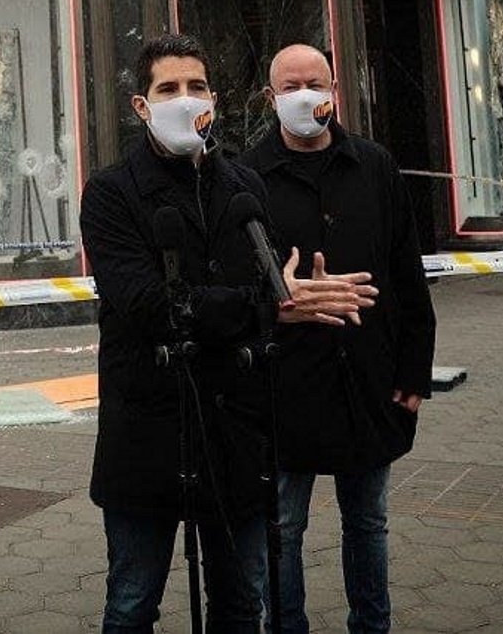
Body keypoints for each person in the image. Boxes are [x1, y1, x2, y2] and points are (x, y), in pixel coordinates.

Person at [84, 34, 378, 634]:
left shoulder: (243, 187)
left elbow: (266, 292)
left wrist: (281, 301)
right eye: (168, 89)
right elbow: (148, 306)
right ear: (142, 105)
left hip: (235, 437)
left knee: (244, 603)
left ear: (214, 100)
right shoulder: (111, 193)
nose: (184, 100)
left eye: (196, 88)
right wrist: (267, 306)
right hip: (149, 432)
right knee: (133, 602)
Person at [239, 44, 438, 634]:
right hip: (285, 388)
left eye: (316, 83)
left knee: (369, 523)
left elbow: (408, 277)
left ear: (334, 91)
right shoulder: (248, 178)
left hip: (369, 381)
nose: (306, 96)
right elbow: (238, 290)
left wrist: (413, 375)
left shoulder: (374, 166)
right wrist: (282, 299)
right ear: (270, 98)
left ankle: (371, 626)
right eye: (291, 86)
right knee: (282, 526)